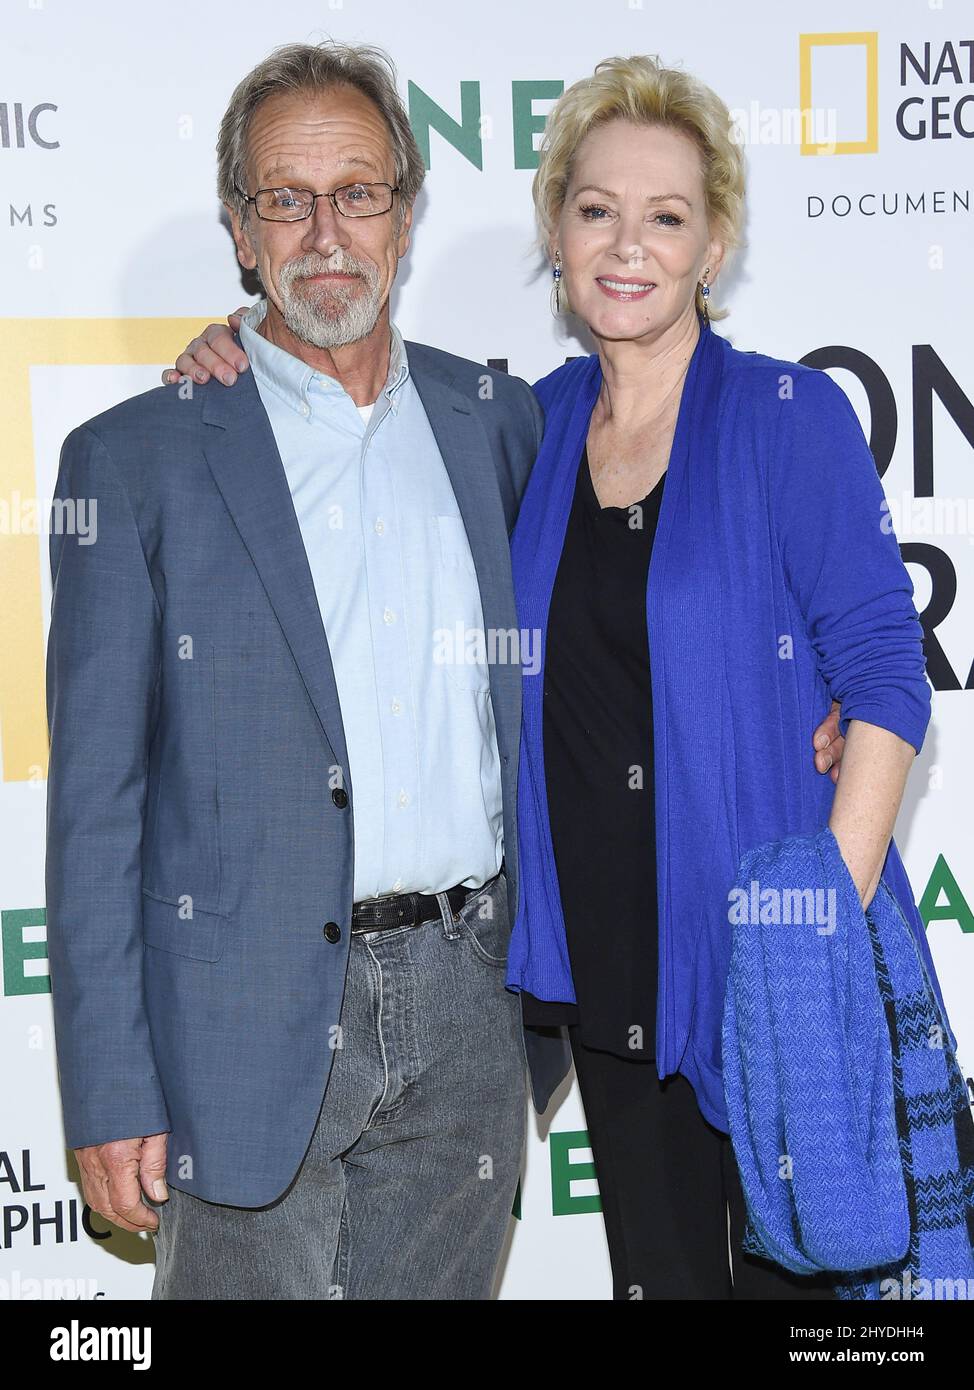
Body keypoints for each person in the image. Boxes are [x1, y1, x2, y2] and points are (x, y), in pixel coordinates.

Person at [162, 53, 863, 1301]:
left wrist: (813, 940)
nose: (627, 245)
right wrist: (241, 338)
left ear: (714, 246)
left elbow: (884, 686)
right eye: (596, 210)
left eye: (666, 216)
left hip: (760, 964)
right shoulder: (521, 424)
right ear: (555, 232)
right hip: (595, 975)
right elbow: (326, 375)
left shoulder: (784, 414)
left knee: (807, 1305)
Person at [45, 40, 570, 1302]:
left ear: (405, 209)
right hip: (240, 1020)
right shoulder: (137, 459)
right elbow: (97, 802)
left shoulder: (497, 419)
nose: (325, 233)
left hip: (466, 1006)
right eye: (285, 196)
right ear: (240, 228)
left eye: (359, 192)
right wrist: (111, 1084)